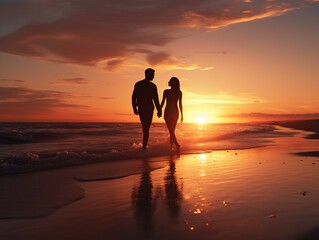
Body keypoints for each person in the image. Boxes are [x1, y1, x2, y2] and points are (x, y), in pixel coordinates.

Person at [132, 68, 162, 151]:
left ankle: (144, 147)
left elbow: (155, 99)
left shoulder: (140, 84)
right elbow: (134, 97)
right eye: (153, 75)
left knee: (145, 128)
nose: (153, 76)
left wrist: (159, 110)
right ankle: (144, 148)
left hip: (146, 108)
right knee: (146, 128)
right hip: (146, 108)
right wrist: (159, 110)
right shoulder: (149, 86)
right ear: (148, 74)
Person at [160, 77, 183, 151]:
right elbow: (162, 102)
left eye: (169, 81)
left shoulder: (177, 92)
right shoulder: (166, 91)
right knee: (171, 131)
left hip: (172, 113)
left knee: (171, 131)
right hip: (171, 113)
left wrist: (182, 115)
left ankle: (176, 145)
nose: (168, 82)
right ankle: (171, 147)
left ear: (173, 83)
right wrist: (159, 110)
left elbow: (180, 104)